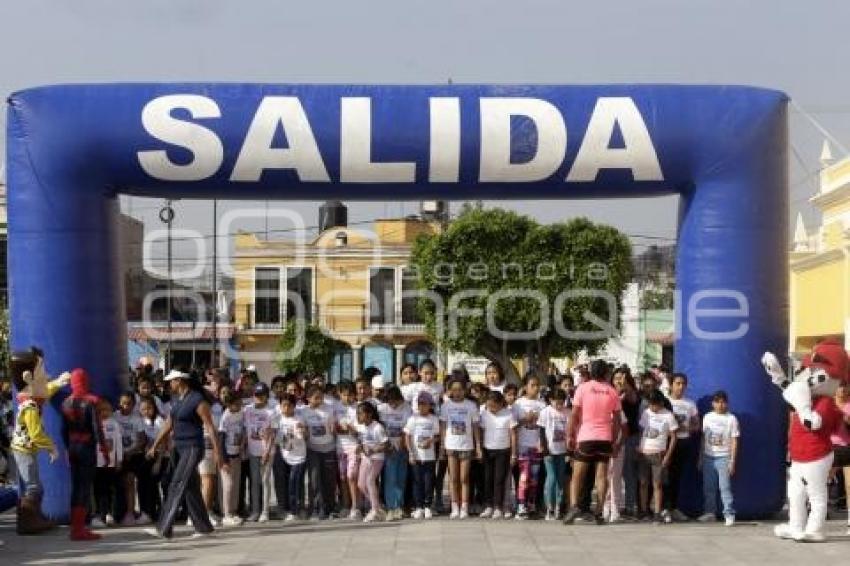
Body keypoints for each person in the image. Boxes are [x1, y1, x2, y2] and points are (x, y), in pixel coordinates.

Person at [145, 369, 224, 540]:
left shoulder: (198, 400)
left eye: (172, 381)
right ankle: (204, 528)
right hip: (178, 448)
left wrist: (218, 453)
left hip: (193, 447)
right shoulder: (177, 401)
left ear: (180, 381)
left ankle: (164, 528)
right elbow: (168, 424)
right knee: (191, 489)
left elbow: (210, 427)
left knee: (177, 484)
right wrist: (155, 445)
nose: (169, 384)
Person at [9, 348, 69, 535]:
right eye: (43, 372)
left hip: (24, 448)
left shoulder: (31, 399)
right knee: (34, 487)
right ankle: (27, 522)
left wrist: (57, 383)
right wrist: (52, 448)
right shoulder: (30, 407)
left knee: (34, 486)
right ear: (28, 377)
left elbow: (44, 391)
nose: (48, 375)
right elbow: (35, 433)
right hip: (24, 449)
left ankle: (34, 517)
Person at [564, 360, 624, 525]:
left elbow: (574, 415)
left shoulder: (582, 388)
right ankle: (598, 512)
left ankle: (574, 506)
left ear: (590, 372)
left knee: (577, 475)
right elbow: (618, 421)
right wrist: (613, 440)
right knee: (601, 476)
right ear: (606, 373)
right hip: (604, 438)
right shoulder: (612, 392)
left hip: (586, 437)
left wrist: (569, 435)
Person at [61, 368, 108, 541]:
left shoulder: (65, 403)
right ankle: (80, 529)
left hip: (73, 447)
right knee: (84, 487)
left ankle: (75, 528)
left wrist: (68, 448)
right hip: (87, 448)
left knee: (75, 487)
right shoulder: (91, 401)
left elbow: (62, 430)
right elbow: (97, 428)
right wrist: (103, 448)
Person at [440, 377, 481, 519]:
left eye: (460, 389)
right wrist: (442, 446)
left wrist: (478, 446)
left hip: (467, 445)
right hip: (451, 445)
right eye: (454, 389)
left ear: (465, 390)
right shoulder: (446, 406)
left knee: (464, 478)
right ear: (450, 391)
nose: (457, 392)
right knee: (453, 478)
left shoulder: (471, 405)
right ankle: (454, 506)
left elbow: (475, 426)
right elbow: (443, 426)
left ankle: (464, 506)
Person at [697, 390, 739, 526]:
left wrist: (732, 461)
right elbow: (703, 438)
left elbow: (734, 441)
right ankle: (710, 513)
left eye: (723, 402)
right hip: (708, 456)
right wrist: (700, 457)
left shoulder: (731, 418)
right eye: (717, 402)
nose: (720, 405)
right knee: (708, 487)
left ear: (726, 403)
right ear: (713, 403)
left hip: (724, 457)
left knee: (725, 487)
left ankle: (729, 513)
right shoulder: (707, 417)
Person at [637, 389, 679, 524]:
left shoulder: (668, 415)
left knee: (657, 484)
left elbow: (674, 437)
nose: (651, 407)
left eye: (654, 404)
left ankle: (657, 512)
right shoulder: (646, 413)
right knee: (643, 483)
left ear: (660, 403)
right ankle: (643, 510)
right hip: (644, 453)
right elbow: (642, 431)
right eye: (650, 404)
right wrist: (639, 446)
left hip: (658, 454)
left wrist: (667, 455)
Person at [666, 372, 700, 522]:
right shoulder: (666, 402)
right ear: (671, 385)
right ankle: (661, 508)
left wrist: (687, 429)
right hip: (666, 443)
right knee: (663, 477)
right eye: (677, 383)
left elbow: (697, 424)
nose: (680, 387)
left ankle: (673, 508)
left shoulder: (690, 404)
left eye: (683, 384)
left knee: (676, 476)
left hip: (683, 443)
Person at [478, 390, 516, 520]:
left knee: (499, 480)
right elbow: (481, 432)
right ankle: (488, 505)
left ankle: (498, 507)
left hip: (503, 451)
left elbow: (513, 435)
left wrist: (513, 454)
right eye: (489, 406)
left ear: (500, 404)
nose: (491, 409)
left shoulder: (508, 414)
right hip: (488, 450)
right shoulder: (484, 414)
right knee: (487, 479)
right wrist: (480, 449)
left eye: (494, 406)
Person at [513, 374, 546, 519]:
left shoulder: (542, 404)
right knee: (524, 477)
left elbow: (544, 427)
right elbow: (513, 425)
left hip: (536, 445)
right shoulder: (518, 404)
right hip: (523, 445)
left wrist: (542, 443)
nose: (535, 388)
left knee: (534, 479)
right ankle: (521, 505)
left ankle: (531, 504)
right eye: (532, 385)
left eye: (537, 385)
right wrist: (524, 419)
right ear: (525, 387)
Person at [302, 384, 337, 519]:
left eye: (321, 397)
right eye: (316, 398)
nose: (319, 400)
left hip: (328, 448)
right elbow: (304, 431)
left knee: (329, 479)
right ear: (308, 398)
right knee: (315, 479)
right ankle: (317, 508)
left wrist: (334, 428)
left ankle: (330, 508)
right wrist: (303, 431)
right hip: (313, 449)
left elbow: (333, 430)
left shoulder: (329, 409)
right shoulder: (304, 412)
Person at [379, 385, 412, 521]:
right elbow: (379, 428)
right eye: (389, 401)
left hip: (402, 447)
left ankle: (399, 505)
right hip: (388, 448)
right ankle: (391, 507)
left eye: (395, 400)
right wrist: (386, 444)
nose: (392, 404)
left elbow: (407, 428)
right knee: (390, 479)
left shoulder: (406, 408)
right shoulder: (381, 408)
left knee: (401, 478)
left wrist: (404, 445)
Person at [244, 382, 276, 522]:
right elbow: (245, 429)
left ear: (267, 396)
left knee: (265, 481)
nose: (258, 398)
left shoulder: (271, 411)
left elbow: (273, 433)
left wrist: (267, 451)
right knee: (255, 481)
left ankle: (265, 511)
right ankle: (255, 510)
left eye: (261, 395)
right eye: (256, 395)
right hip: (252, 450)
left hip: (267, 451)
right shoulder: (248, 410)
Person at [404, 392, 439, 519]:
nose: (423, 406)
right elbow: (407, 436)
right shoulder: (413, 419)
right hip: (416, 456)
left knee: (429, 482)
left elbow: (437, 436)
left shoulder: (434, 419)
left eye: (425, 404)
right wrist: (411, 453)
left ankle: (428, 505)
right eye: (420, 404)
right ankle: (418, 506)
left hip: (429, 456)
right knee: (417, 482)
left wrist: (430, 441)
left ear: (430, 405)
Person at [114, 392, 146, 525]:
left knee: (130, 481)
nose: (126, 406)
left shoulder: (137, 418)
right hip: (116, 455)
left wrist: (130, 451)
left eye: (129, 404)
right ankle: (116, 512)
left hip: (132, 455)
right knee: (118, 484)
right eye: (123, 403)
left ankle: (130, 512)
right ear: (119, 403)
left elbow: (142, 439)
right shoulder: (114, 416)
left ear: (133, 405)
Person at [539, 388, 571, 521]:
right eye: (556, 402)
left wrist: (570, 451)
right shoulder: (546, 412)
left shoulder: (568, 412)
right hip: (550, 451)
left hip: (563, 451)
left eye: (561, 403)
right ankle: (549, 507)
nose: (559, 405)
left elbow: (570, 433)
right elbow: (541, 431)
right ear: (550, 400)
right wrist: (545, 449)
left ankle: (558, 506)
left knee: (560, 479)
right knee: (551, 478)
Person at [275, 393, 307, 522]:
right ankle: (289, 508)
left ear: (294, 407)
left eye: (289, 405)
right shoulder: (278, 419)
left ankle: (295, 511)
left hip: (298, 456)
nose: (286, 408)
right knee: (286, 483)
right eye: (284, 405)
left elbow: (302, 437)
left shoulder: (298, 420)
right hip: (284, 455)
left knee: (294, 482)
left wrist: (302, 432)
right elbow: (275, 437)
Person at [356, 401, 389, 522]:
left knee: (370, 480)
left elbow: (386, 445)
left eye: (361, 414)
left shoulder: (377, 427)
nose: (358, 416)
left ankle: (375, 510)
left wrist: (373, 449)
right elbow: (362, 442)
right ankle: (377, 507)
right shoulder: (361, 427)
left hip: (377, 459)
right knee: (361, 484)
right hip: (366, 459)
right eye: (357, 414)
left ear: (369, 414)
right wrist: (359, 448)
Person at [93, 399, 122, 528]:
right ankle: (100, 513)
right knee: (99, 490)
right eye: (101, 410)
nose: (104, 413)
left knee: (111, 489)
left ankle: (110, 513)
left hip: (110, 463)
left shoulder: (114, 424)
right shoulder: (94, 424)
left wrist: (118, 460)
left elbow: (118, 443)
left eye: (107, 410)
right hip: (97, 463)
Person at [218, 390, 245, 527]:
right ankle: (226, 514)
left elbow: (243, 430)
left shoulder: (241, 413)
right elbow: (221, 439)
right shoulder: (225, 417)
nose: (240, 405)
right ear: (229, 404)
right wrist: (223, 459)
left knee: (235, 484)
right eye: (237, 404)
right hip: (227, 455)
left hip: (237, 453)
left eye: (240, 403)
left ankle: (233, 512)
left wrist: (242, 445)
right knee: (227, 485)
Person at [335, 380, 361, 519]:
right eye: (344, 395)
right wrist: (338, 428)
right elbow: (333, 427)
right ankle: (346, 505)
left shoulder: (358, 408)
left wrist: (350, 429)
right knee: (343, 477)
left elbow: (360, 430)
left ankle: (355, 506)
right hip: (340, 447)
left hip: (354, 447)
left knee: (352, 476)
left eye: (350, 395)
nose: (347, 398)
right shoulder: (335, 406)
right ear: (339, 394)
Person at [138, 397, 166, 523]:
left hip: (161, 456)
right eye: (143, 409)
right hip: (147, 456)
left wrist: (159, 462)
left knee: (156, 483)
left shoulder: (159, 421)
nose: (146, 411)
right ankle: (146, 512)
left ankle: (155, 511)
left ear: (154, 408)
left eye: (149, 408)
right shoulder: (141, 421)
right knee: (144, 483)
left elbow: (164, 442)